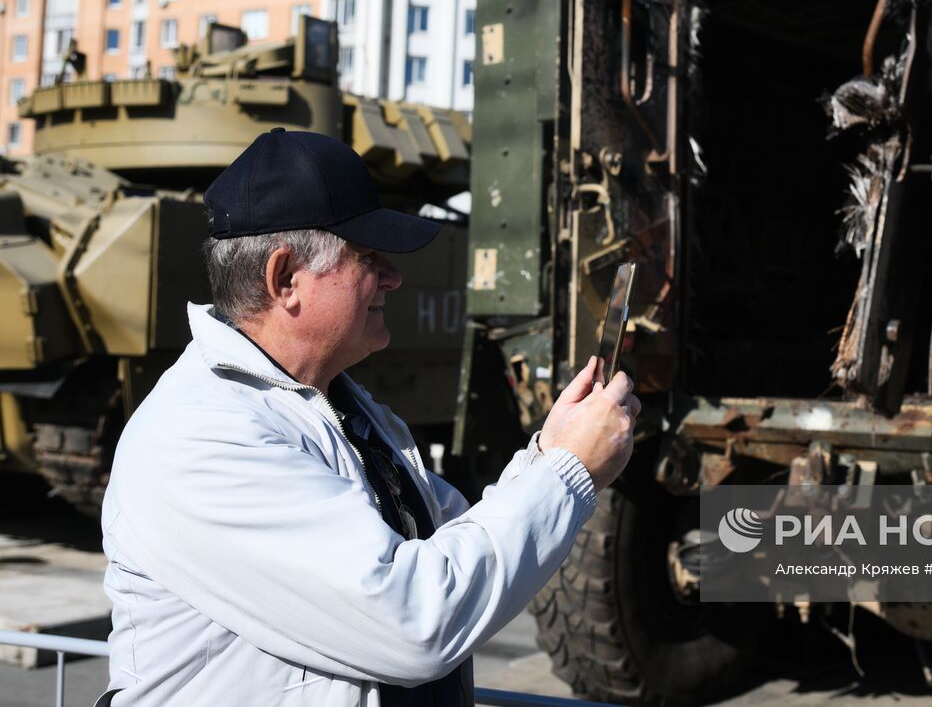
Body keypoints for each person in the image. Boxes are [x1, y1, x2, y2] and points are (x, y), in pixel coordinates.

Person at [98, 129, 637, 706]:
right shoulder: (198, 435)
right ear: (285, 280)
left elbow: (454, 544)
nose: (394, 277)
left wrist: (547, 455)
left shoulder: (338, 407)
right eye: (368, 257)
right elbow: (415, 622)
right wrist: (568, 473)